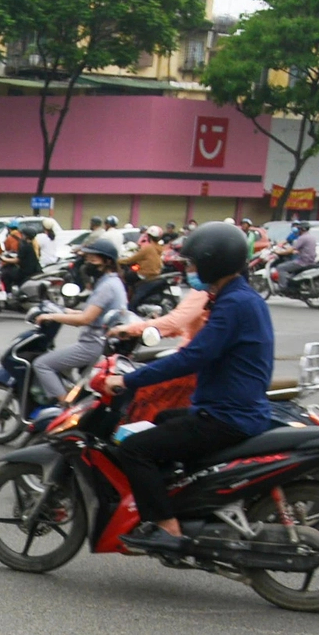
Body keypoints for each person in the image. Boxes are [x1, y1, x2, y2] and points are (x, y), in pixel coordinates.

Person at [105, 222, 277, 557]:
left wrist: (129, 379)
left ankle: (167, 528)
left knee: (134, 449)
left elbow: (194, 356)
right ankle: (185, 502)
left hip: (226, 416)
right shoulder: (238, 297)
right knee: (166, 418)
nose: (191, 270)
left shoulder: (233, 304)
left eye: (195, 263)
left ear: (215, 262)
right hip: (232, 408)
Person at [31, 235, 127, 402]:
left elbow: (85, 319)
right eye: (87, 258)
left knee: (42, 364)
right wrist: (67, 311)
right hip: (101, 341)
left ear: (107, 262)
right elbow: (95, 314)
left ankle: (66, 408)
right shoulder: (112, 282)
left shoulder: (107, 286)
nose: (88, 263)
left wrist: (51, 316)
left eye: (93, 259)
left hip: (93, 344)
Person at [270, 220, 316, 288]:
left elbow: (291, 249)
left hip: (302, 261)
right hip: (310, 260)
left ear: (303, 229)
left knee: (280, 267)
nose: (298, 230)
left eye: (299, 228)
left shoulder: (302, 238)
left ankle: (283, 286)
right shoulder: (311, 237)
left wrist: (278, 252)